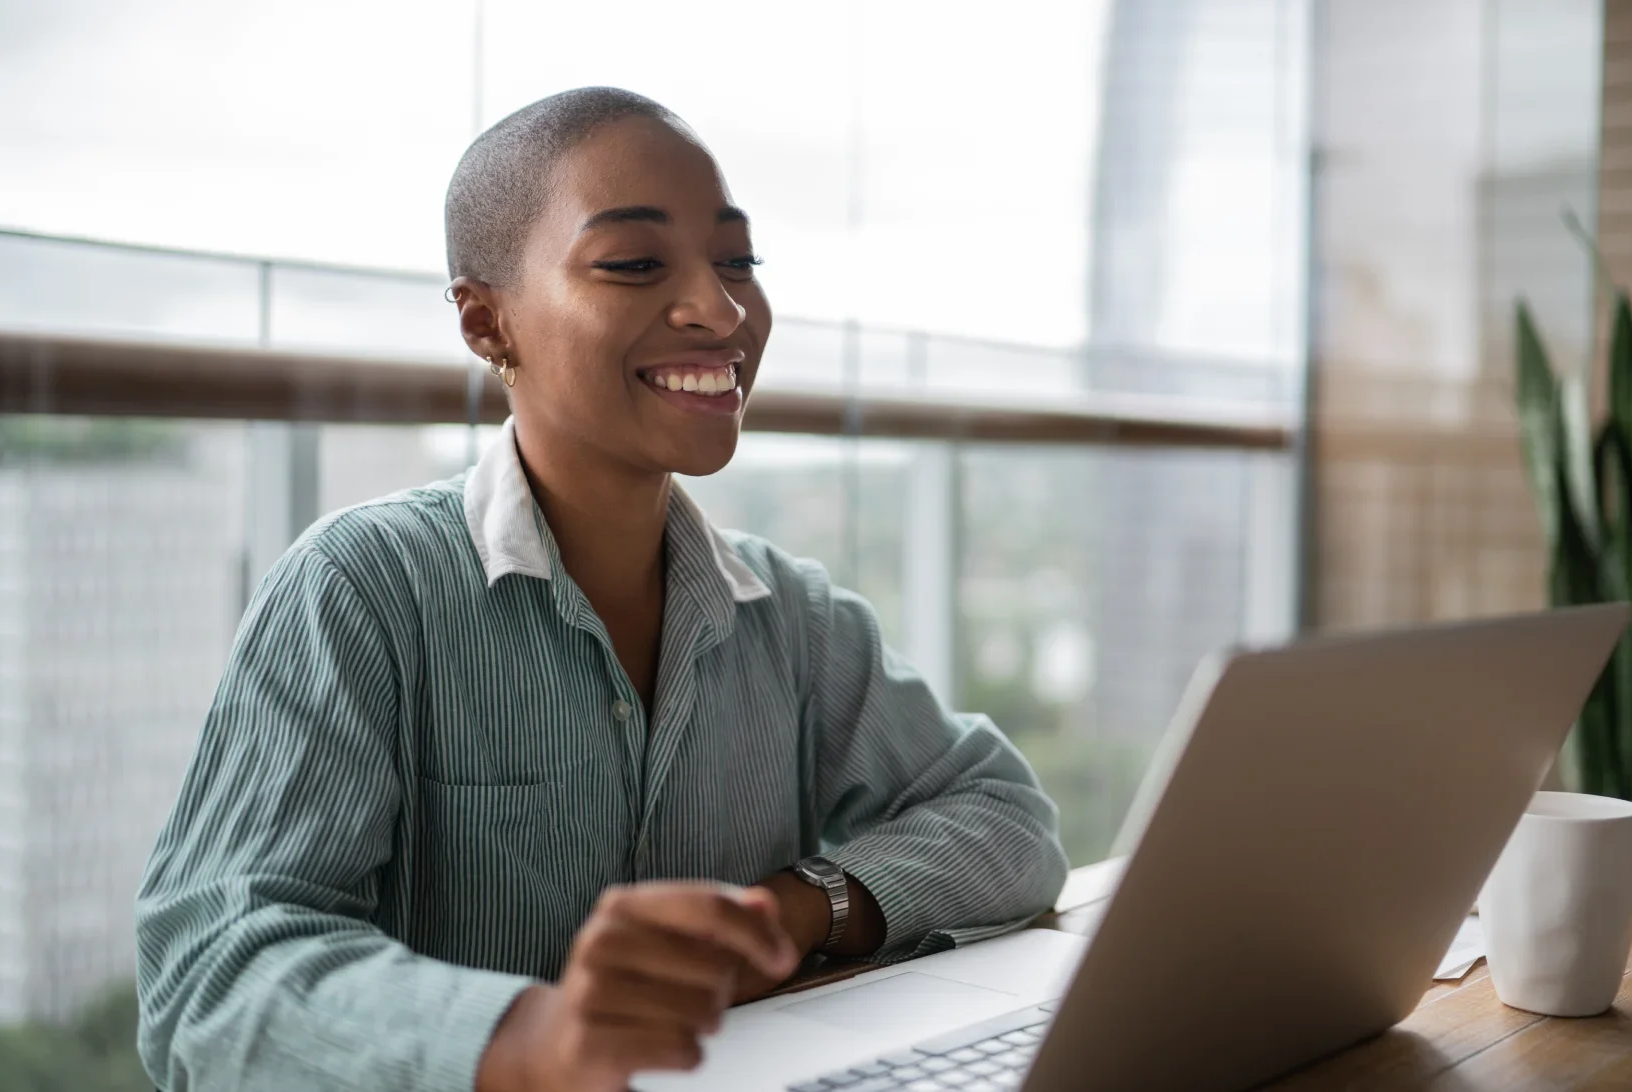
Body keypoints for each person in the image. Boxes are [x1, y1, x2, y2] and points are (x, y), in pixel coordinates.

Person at [134, 86, 1067, 1092]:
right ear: (488, 323)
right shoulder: (360, 591)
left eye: (737, 261)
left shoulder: (788, 615)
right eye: (633, 264)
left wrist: (791, 915)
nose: (720, 308)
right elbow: (209, 976)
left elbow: (1006, 817)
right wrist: (525, 1039)